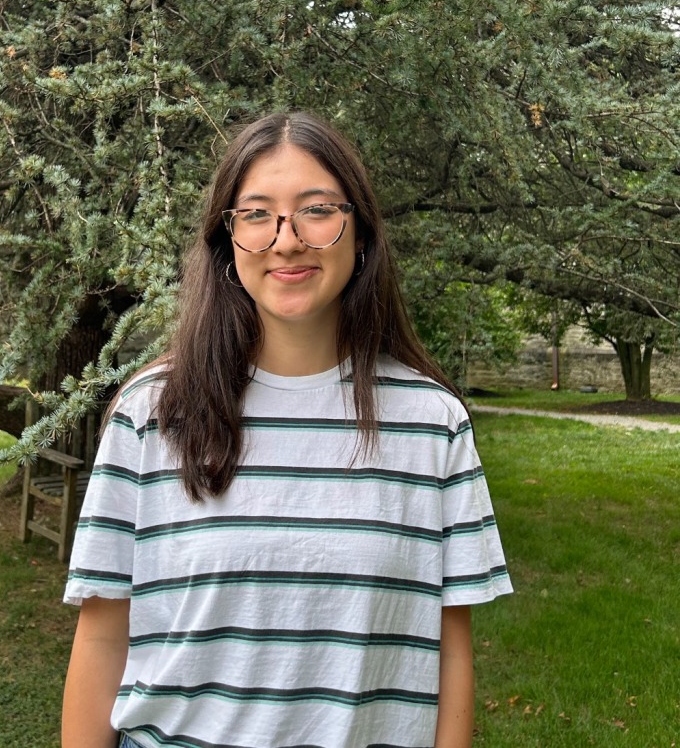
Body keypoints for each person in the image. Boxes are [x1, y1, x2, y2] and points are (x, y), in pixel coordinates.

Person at [62, 111, 512, 748]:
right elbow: (104, 636)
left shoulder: (433, 423)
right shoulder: (153, 413)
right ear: (228, 243)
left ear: (360, 234)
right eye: (255, 214)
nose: (286, 239)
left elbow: (449, 651)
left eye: (316, 209)